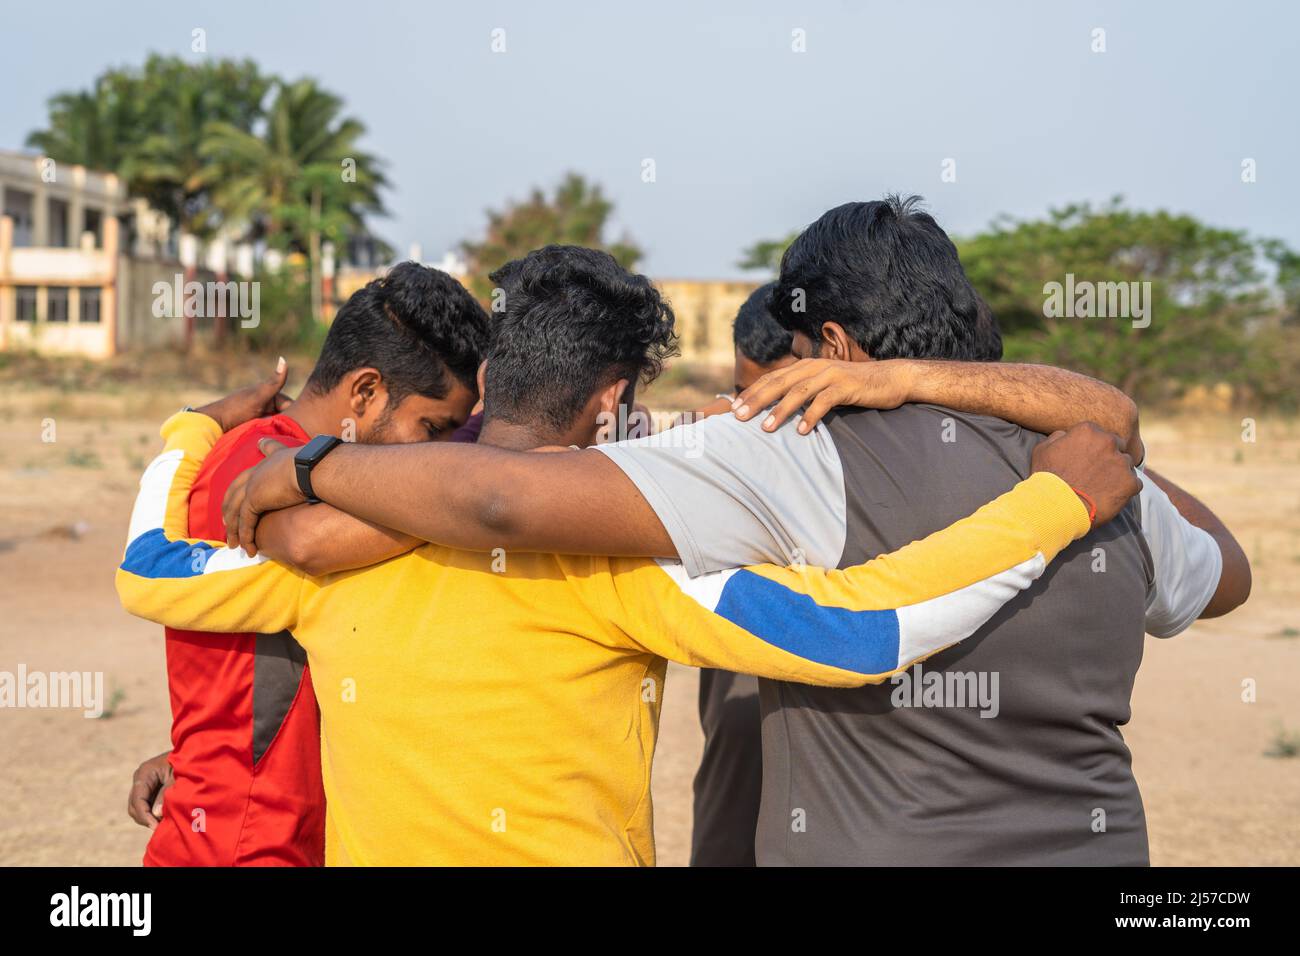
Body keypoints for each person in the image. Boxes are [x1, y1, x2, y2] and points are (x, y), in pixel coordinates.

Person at [219, 200, 1248, 866]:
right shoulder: (1117, 482)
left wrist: (305, 466)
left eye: (797, 357)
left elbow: (502, 499)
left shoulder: (786, 459)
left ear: (834, 348)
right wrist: (1062, 478)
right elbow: (1225, 574)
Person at [126, 262, 489, 866]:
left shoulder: (262, 453)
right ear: (366, 392)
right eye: (432, 429)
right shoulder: (272, 473)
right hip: (249, 842)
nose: (436, 456)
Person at [688, 282, 794, 867]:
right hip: (739, 730)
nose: (752, 417)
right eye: (740, 395)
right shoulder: (716, 449)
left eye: (778, 399)